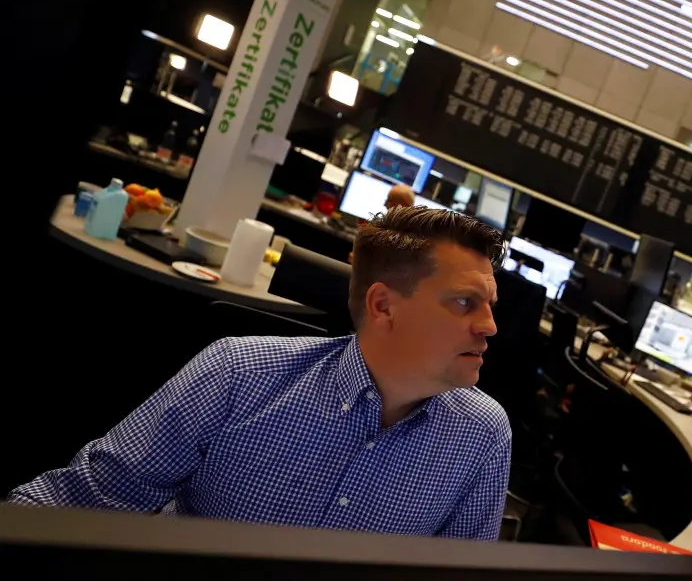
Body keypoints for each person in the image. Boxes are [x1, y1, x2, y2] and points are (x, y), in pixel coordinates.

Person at [9, 207, 512, 540]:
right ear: (384, 307)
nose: (488, 326)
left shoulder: (483, 435)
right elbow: (84, 501)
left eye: (488, 305)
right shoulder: (238, 374)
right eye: (464, 303)